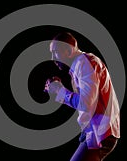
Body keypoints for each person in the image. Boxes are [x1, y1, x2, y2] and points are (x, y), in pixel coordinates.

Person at [44, 32, 120, 161]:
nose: (52, 58)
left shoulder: (84, 63)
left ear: (68, 50)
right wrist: (59, 89)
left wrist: (59, 90)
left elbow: (85, 103)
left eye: (55, 52)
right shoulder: (80, 64)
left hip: (99, 132)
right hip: (94, 131)